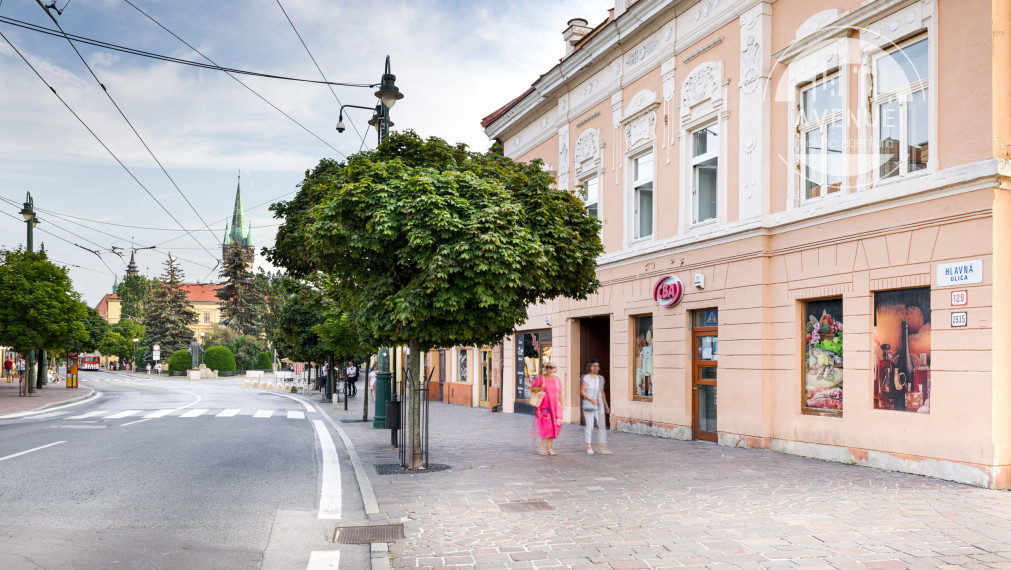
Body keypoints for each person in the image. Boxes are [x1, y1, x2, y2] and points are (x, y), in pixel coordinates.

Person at [529, 362, 563, 455]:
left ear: (554, 369)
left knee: (553, 426)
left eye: (551, 367)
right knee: (546, 426)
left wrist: (562, 405)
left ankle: (549, 448)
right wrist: (541, 389)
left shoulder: (557, 380)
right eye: (547, 367)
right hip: (543, 407)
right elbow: (532, 389)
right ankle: (543, 445)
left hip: (555, 407)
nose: (548, 369)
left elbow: (560, 393)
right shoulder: (541, 378)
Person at [580, 360, 611, 455]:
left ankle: (602, 446)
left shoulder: (600, 378)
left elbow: (602, 392)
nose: (596, 368)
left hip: (599, 404)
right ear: (590, 367)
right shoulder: (586, 378)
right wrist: (590, 399)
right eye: (594, 366)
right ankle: (589, 446)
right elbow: (582, 391)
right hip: (589, 404)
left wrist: (606, 405)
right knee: (590, 426)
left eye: (597, 366)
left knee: (601, 426)